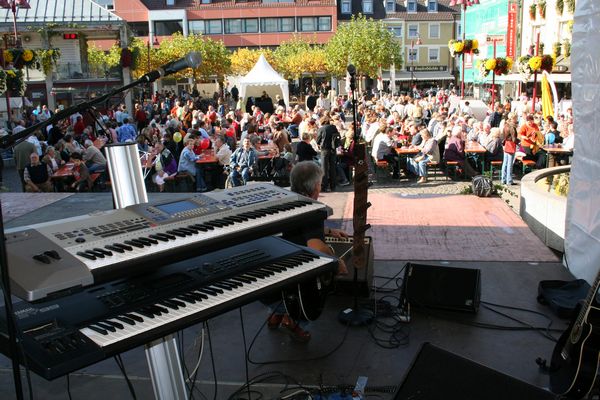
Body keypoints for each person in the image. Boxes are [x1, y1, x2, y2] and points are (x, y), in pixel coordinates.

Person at [266, 161, 348, 342]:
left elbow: (298, 227)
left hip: (275, 259)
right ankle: (294, 322)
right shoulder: (311, 207)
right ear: (315, 186)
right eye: (320, 183)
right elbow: (315, 246)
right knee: (317, 281)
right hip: (296, 265)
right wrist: (336, 262)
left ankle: (276, 314)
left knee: (280, 289)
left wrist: (328, 231)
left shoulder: (284, 197)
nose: (321, 186)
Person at [316, 115, 341, 192]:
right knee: (332, 167)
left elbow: (318, 140)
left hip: (325, 150)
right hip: (333, 149)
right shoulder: (333, 127)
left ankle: (325, 186)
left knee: (324, 168)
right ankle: (333, 185)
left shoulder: (321, 129)